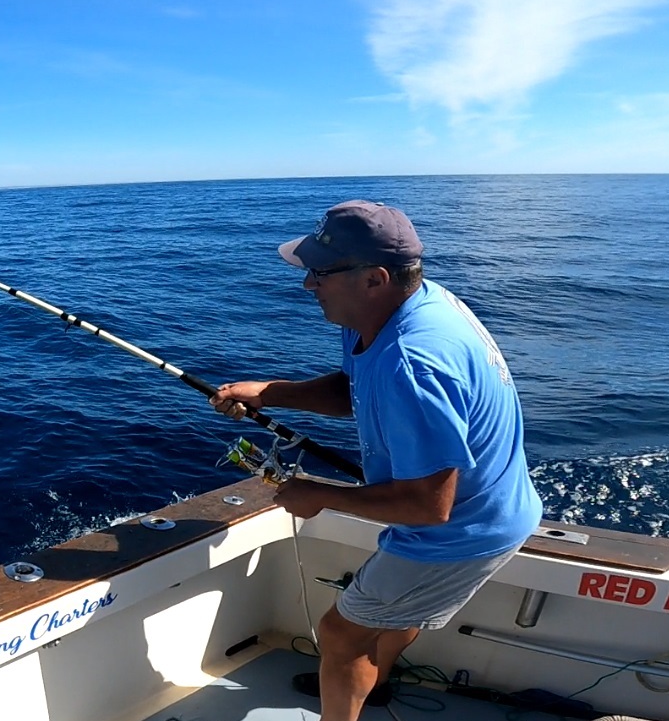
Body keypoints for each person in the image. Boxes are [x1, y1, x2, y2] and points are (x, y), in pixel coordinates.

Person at [210, 200, 542, 721]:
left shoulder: (413, 363)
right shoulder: (402, 308)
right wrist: (270, 392)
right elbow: (353, 390)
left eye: (320, 273)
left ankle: (349, 685)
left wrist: (319, 496)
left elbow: (430, 506)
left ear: (375, 278)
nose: (307, 285)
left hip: (462, 530)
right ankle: (372, 681)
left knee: (340, 633)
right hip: (483, 509)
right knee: (385, 612)